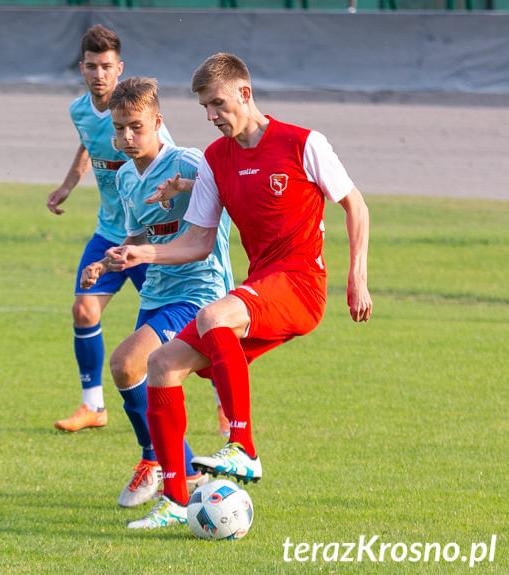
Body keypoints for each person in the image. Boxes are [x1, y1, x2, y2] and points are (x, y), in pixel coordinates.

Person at [108, 53, 372, 529]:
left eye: (218, 104)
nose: (212, 116)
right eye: (206, 108)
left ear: (245, 93)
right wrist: (140, 254)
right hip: (259, 286)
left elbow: (355, 205)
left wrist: (357, 277)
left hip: (300, 284)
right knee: (161, 365)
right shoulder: (214, 160)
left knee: (212, 315)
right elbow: (197, 241)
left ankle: (244, 449)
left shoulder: (304, 142)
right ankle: (174, 498)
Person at [79, 77, 235, 509]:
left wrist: (183, 187)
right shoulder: (127, 177)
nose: (126, 137)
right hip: (155, 295)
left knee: (126, 364)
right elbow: (136, 236)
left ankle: (161, 463)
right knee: (144, 385)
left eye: (136, 127)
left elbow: (228, 190)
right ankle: (180, 469)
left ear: (157, 122)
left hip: (199, 292)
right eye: (119, 128)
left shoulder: (189, 162)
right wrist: (105, 262)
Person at [47, 25, 176, 432]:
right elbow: (88, 141)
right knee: (84, 309)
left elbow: (169, 163)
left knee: (182, 334)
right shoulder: (79, 111)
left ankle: (225, 406)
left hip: (148, 238)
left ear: (119, 68)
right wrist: (69, 182)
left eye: (106, 66)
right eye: (91, 66)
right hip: (109, 231)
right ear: (82, 68)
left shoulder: (144, 122)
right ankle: (93, 407)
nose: (98, 74)